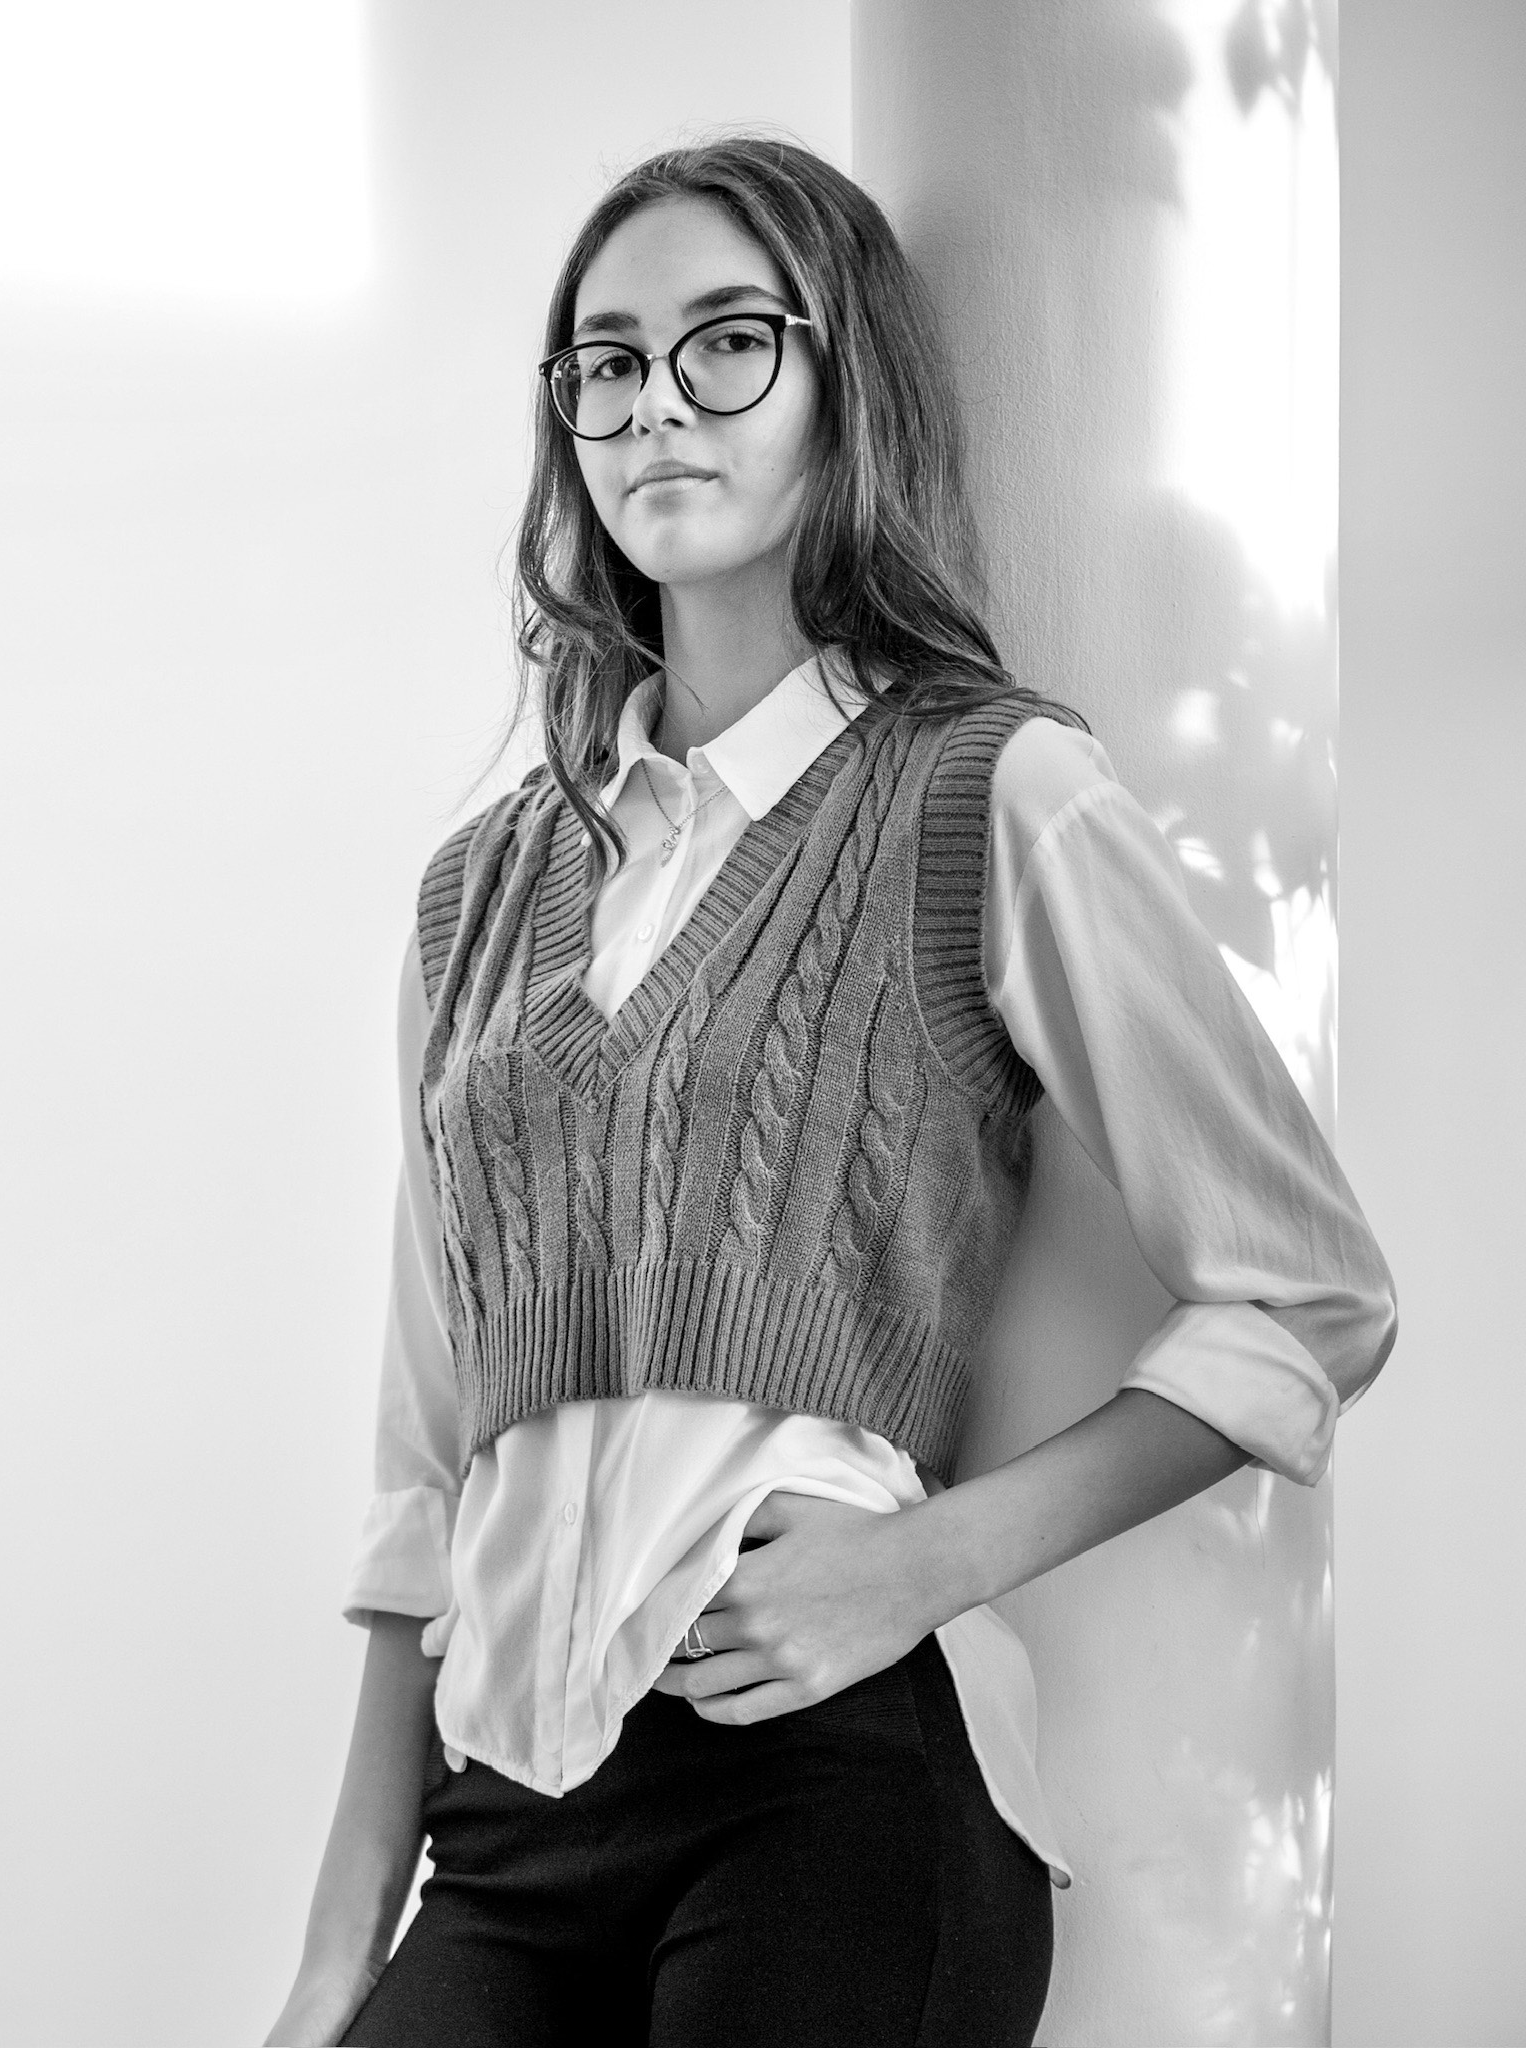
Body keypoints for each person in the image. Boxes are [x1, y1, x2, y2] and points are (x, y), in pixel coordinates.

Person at [264, 137, 1395, 2048]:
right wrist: (334, 1955)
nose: (655, 405)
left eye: (727, 343)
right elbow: (426, 1470)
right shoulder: (475, 898)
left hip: (829, 1788)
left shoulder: (990, 790)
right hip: (505, 1822)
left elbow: (1314, 1294)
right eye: (607, 362)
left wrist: (921, 1568)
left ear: (840, 379)